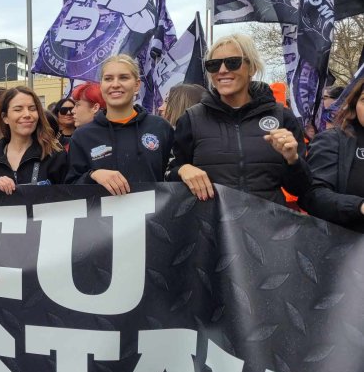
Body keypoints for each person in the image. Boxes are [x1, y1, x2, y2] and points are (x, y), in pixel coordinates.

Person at [167, 34, 310, 205]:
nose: (222, 70)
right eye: (213, 65)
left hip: (268, 227)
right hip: (213, 227)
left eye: (232, 62)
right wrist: (183, 169)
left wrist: (292, 160)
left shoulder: (281, 116)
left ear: (252, 68)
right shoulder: (191, 119)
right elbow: (170, 176)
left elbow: (302, 189)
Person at [67, 54, 174, 194]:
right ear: (101, 86)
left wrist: (185, 170)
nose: (115, 84)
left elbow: (174, 173)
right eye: (108, 79)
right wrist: (92, 175)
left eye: (123, 77)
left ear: (136, 85)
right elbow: (69, 187)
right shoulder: (82, 136)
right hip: (102, 215)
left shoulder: (160, 127)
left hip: (154, 215)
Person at [299, 78, 364, 233]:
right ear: (355, 105)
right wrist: (358, 206)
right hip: (348, 248)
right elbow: (312, 195)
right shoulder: (332, 140)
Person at [0, 86, 67, 192]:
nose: (27, 114)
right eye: (18, 109)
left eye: (32, 109)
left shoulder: (54, 154)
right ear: (5, 117)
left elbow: (71, 199)